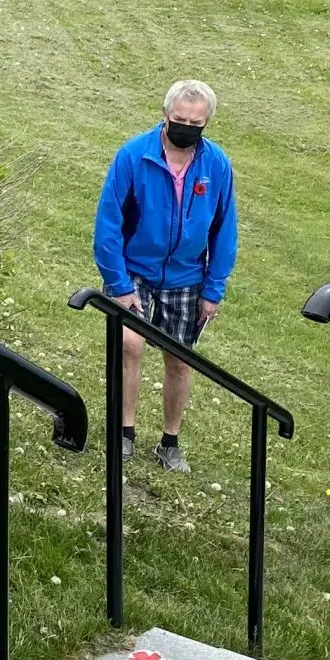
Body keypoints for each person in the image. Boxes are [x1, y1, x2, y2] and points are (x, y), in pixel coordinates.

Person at [91, 80, 240, 473]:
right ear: (165, 115)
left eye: (196, 123)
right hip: (134, 271)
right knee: (130, 347)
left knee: (180, 359)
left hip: (187, 277)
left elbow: (225, 231)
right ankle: (123, 434)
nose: (186, 128)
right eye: (179, 120)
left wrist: (213, 288)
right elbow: (108, 225)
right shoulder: (133, 156)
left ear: (206, 124)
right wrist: (119, 286)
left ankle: (170, 443)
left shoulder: (216, 165)